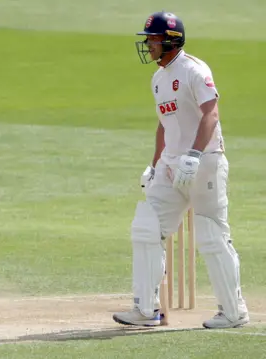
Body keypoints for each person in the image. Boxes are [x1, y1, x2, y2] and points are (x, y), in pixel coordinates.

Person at [112, 11, 249, 329]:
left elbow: (210, 114)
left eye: (153, 39)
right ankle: (146, 311)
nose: (148, 45)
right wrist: (155, 162)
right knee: (146, 227)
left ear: (171, 41)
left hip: (205, 163)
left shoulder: (194, 70)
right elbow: (164, 125)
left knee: (212, 235)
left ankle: (233, 311)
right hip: (171, 167)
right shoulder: (158, 79)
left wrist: (194, 155)